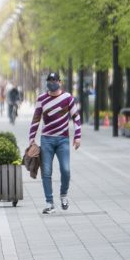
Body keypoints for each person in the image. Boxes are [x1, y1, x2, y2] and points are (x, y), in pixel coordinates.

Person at [28, 72, 82, 214]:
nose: (51, 82)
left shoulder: (68, 98)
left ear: (59, 82)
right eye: (49, 80)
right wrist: (31, 138)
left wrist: (77, 136)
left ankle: (63, 194)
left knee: (66, 170)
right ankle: (49, 202)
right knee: (46, 172)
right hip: (46, 140)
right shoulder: (42, 99)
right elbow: (36, 119)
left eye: (54, 80)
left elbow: (76, 117)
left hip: (63, 140)